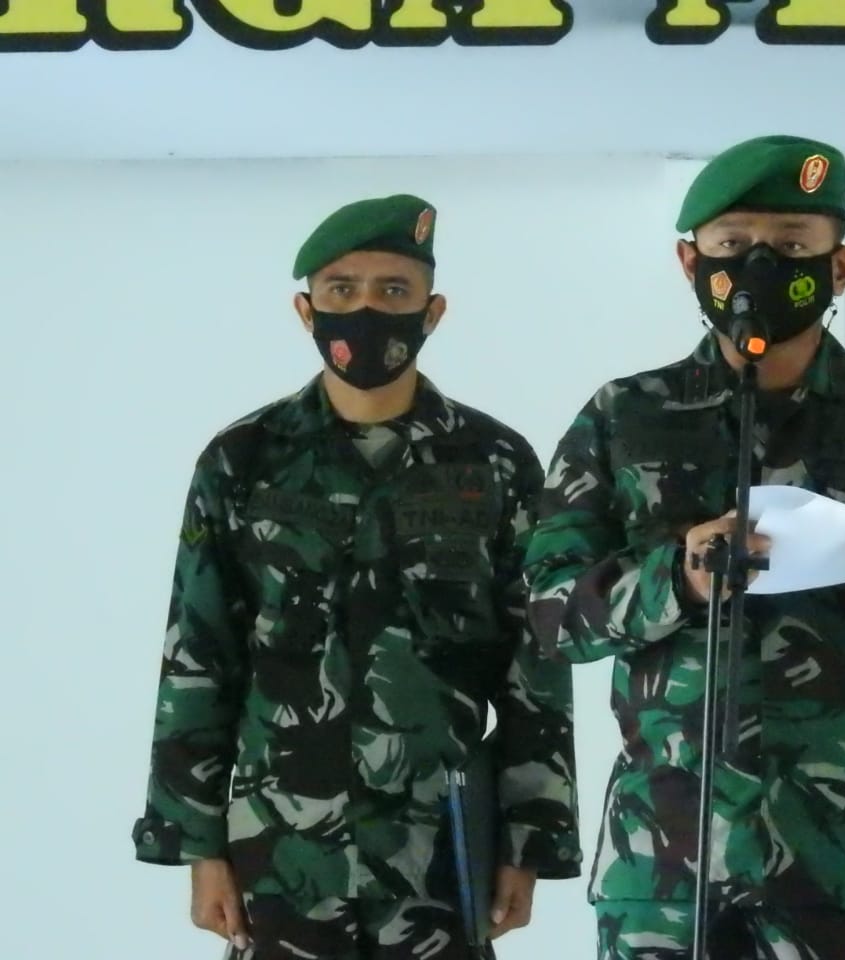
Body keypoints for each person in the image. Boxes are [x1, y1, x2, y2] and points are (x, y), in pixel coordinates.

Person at [523, 136, 845, 960]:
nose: (759, 266)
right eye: (733, 245)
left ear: (842, 266)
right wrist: (677, 578)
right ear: (691, 263)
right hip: (668, 862)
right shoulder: (624, 416)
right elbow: (551, 615)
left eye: (793, 246)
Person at [132, 194, 581, 959]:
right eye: (342, 290)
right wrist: (197, 845)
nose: (366, 310)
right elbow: (198, 655)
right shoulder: (244, 460)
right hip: (281, 847)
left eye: (392, 290)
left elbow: (534, 666)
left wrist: (531, 843)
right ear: (307, 311)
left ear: (432, 312)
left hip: (440, 846)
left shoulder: (496, 463)